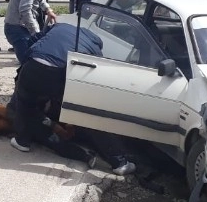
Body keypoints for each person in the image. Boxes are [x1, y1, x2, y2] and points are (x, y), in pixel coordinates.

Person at [9, 24, 135, 175]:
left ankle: (22, 141)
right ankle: (119, 162)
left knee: (26, 104)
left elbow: (32, 40)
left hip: (33, 66)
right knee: (86, 115)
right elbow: (95, 71)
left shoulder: (59, 26)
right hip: (60, 73)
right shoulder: (94, 46)